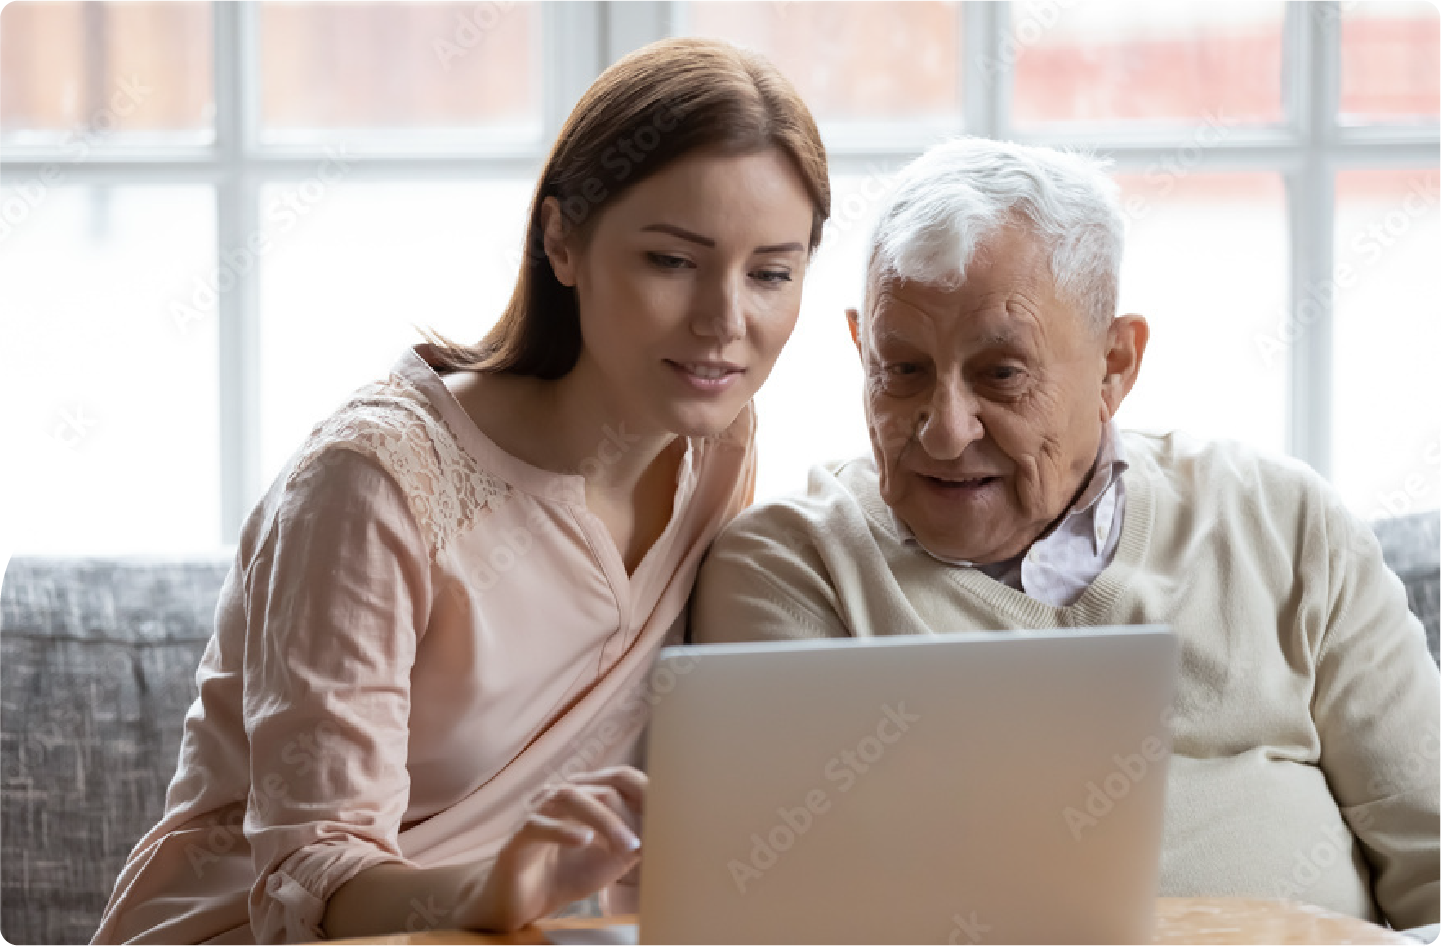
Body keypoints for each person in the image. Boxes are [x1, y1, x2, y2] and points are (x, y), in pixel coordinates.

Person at [92, 37, 829, 945]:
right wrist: (496, 886)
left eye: (770, 274)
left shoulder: (714, 447)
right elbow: (309, 879)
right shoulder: (371, 486)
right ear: (562, 240)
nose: (725, 323)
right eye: (672, 261)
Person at [689, 136, 1441, 932]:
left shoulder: (1284, 522)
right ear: (860, 349)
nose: (943, 431)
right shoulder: (792, 569)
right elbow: (796, 920)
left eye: (1001, 374)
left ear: (1115, 363)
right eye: (902, 369)